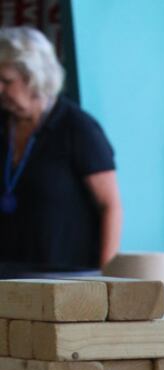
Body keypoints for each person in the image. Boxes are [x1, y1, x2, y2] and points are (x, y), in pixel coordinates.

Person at [0, 26, 122, 272]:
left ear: (34, 78)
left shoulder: (78, 128)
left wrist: (105, 278)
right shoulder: (4, 123)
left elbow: (111, 207)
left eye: (7, 81)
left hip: (63, 278)